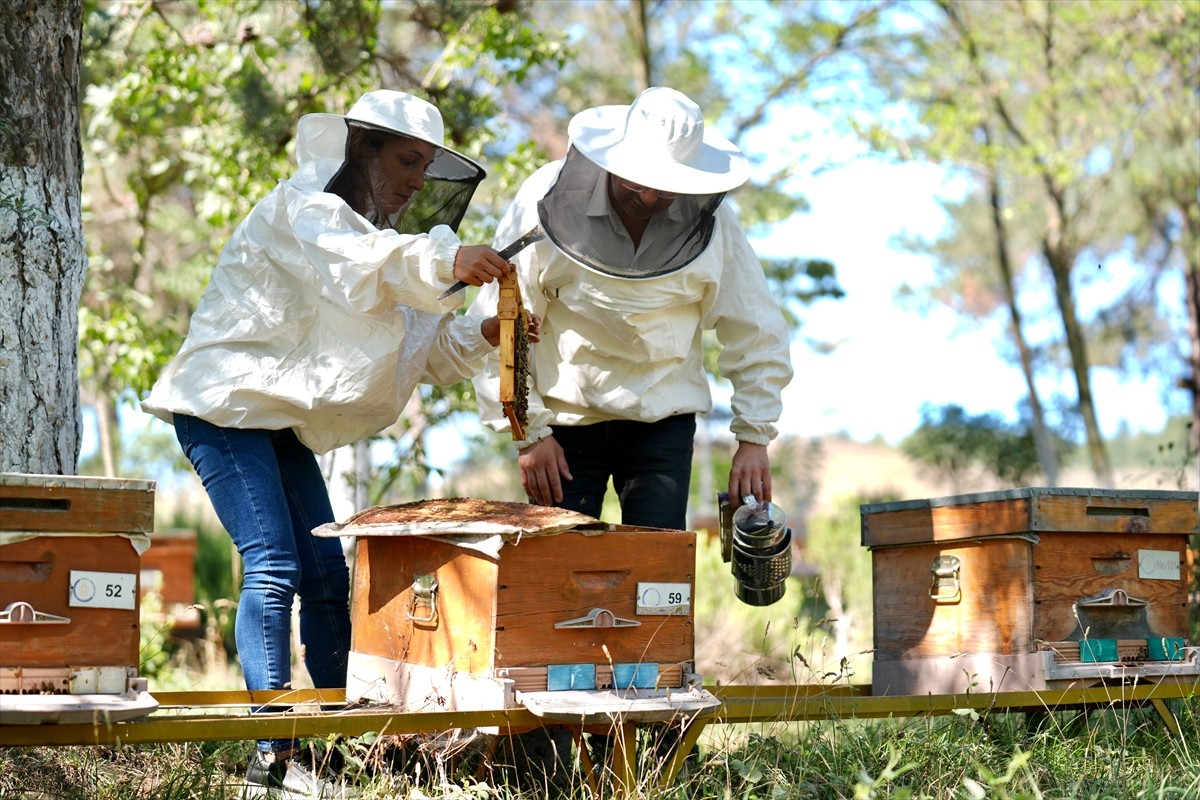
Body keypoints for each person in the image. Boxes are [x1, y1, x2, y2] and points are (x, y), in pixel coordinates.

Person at [141, 89, 520, 799]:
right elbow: (371, 263)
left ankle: (335, 745)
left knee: (326, 577)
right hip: (222, 408)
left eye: (428, 168)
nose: (416, 181)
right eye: (408, 161)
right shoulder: (306, 211)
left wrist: (489, 335)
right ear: (361, 148)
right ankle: (272, 758)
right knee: (274, 563)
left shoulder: (390, 251)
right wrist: (446, 261)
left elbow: (429, 351)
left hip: (276, 423)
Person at [470, 86, 794, 530]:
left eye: (663, 191)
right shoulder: (544, 200)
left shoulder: (715, 227)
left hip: (661, 425)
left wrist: (754, 438)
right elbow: (497, 322)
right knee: (560, 577)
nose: (646, 200)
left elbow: (757, 328)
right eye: (636, 184)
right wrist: (529, 434)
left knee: (657, 585)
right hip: (562, 429)